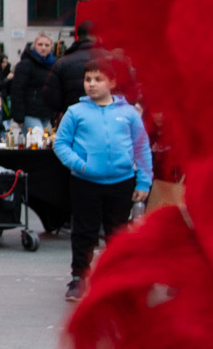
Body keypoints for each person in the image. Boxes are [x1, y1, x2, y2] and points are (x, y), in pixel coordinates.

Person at [51, 56, 151, 303]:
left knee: (118, 233)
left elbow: (141, 147)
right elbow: (61, 144)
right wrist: (80, 165)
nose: (92, 84)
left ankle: (117, 278)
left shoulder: (128, 113)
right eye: (88, 79)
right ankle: (78, 277)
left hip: (122, 182)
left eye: (98, 79)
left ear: (112, 83)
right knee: (84, 232)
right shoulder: (75, 112)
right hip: (85, 183)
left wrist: (143, 181)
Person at [41, 20, 98, 119]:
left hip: (73, 117)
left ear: (78, 37)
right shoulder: (111, 59)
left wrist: (65, 108)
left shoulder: (62, 62)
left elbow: (50, 97)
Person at [9, 34, 57, 133]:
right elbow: (17, 91)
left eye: (47, 45)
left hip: (47, 113)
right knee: (37, 138)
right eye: (40, 44)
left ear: (51, 47)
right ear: (34, 46)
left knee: (44, 140)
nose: (43, 48)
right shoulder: (25, 65)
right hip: (30, 113)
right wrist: (19, 117)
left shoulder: (54, 65)